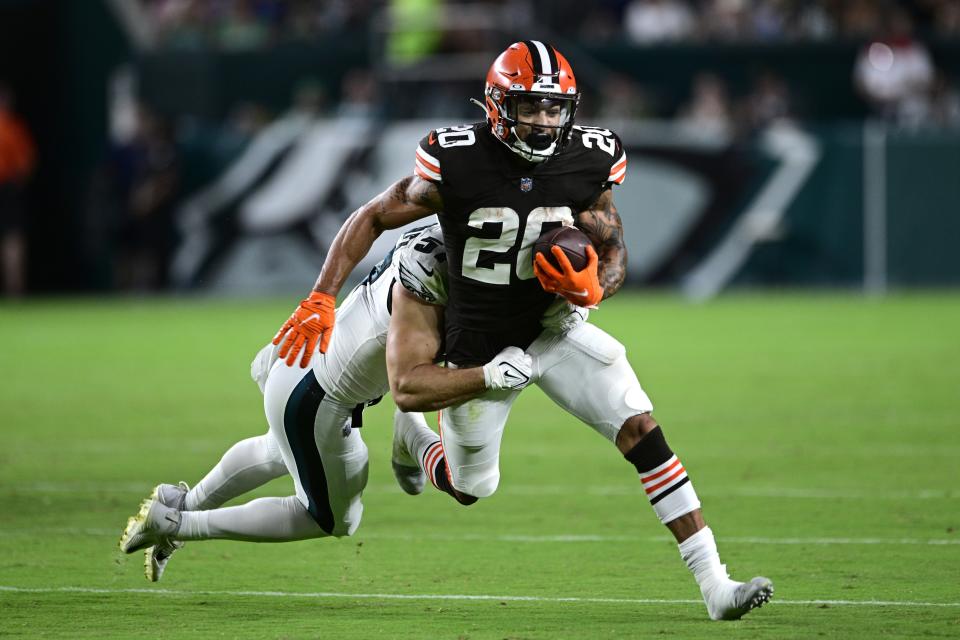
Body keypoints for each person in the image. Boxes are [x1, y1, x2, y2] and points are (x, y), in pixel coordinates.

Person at [269, 41, 772, 620]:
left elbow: (611, 245)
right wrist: (321, 297)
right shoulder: (456, 161)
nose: (543, 121)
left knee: (639, 426)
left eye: (555, 109)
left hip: (554, 325)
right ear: (496, 105)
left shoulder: (589, 157)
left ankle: (715, 584)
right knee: (469, 487)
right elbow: (373, 216)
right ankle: (415, 437)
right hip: (478, 343)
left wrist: (595, 286)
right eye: (530, 107)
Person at [118, 223, 578, 581]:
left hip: (302, 360)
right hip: (319, 395)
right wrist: (489, 376)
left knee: (280, 450)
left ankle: (182, 502)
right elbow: (412, 387)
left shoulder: (434, 243)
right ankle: (178, 525)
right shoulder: (441, 284)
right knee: (331, 519)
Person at [0, 82, 35, 296]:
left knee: (12, 240)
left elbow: (26, 163)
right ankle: (15, 290)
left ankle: (14, 288)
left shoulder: (14, 128)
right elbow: (26, 165)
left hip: (7, 188)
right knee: (12, 239)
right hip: (9, 187)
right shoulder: (13, 128)